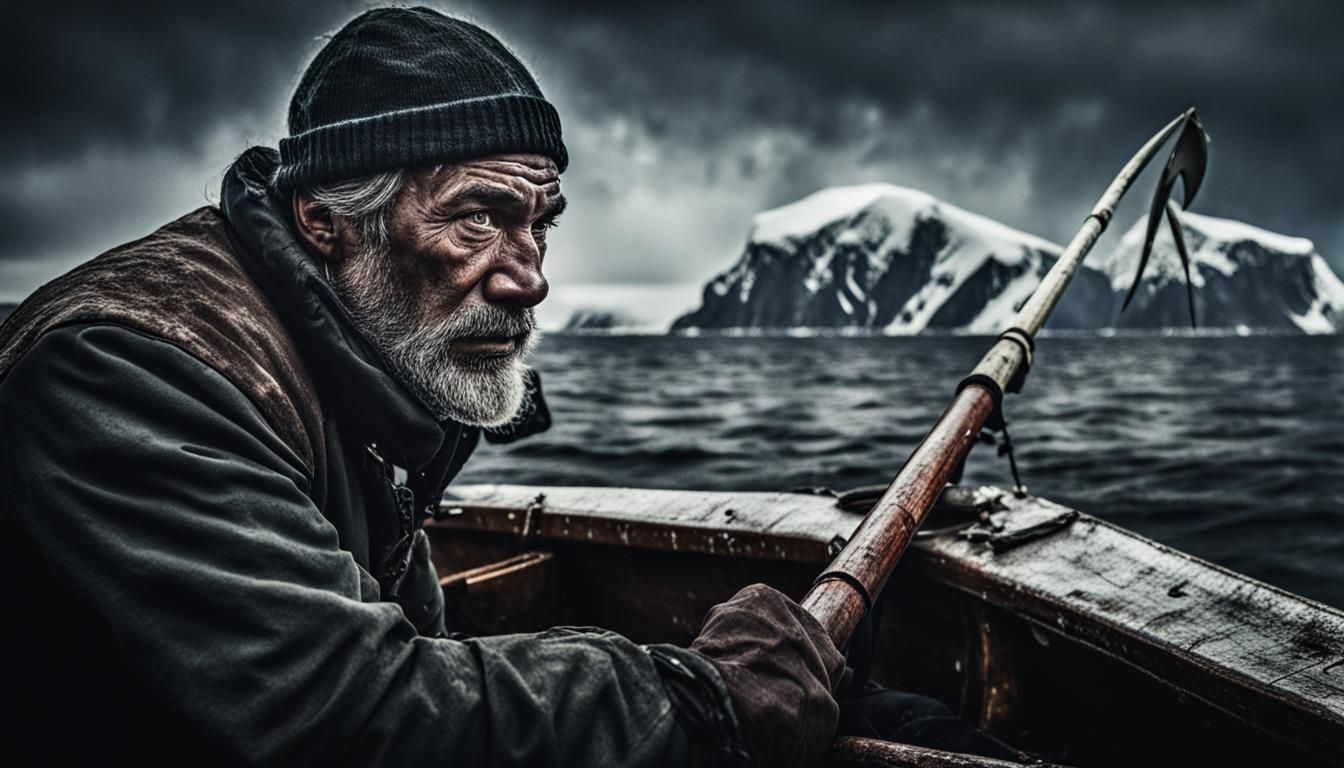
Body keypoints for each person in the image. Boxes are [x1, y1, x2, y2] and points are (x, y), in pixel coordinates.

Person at [0, 6, 1016, 766]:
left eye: (540, 223)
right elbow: (345, 715)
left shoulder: (366, 356)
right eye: (478, 218)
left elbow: (413, 655)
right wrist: (695, 698)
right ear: (325, 220)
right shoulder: (129, 367)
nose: (530, 274)